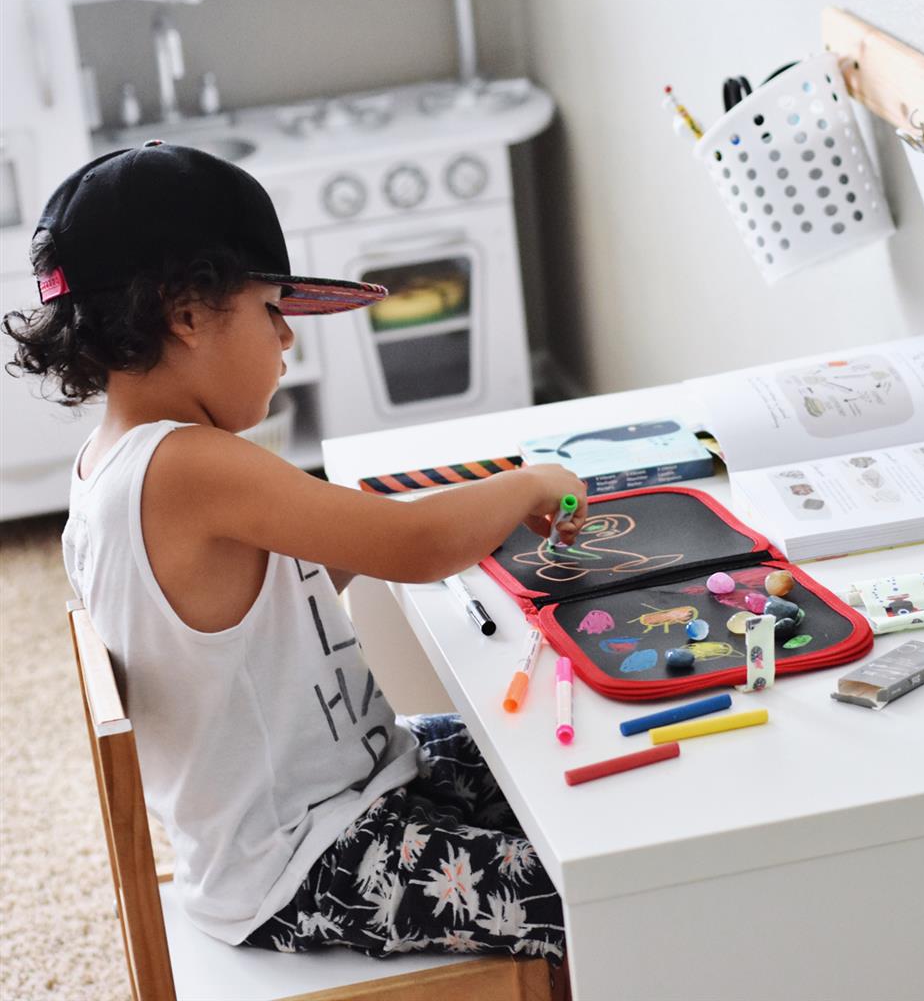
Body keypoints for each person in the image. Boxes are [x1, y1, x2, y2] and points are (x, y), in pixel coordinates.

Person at [2, 143, 587, 963]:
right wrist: (528, 484)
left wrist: (387, 526)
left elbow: (286, 581)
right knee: (596, 891)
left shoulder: (115, 462)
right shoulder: (186, 466)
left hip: (339, 795)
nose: (286, 337)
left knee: (542, 747)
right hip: (309, 860)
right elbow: (415, 547)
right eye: (272, 309)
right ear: (187, 313)